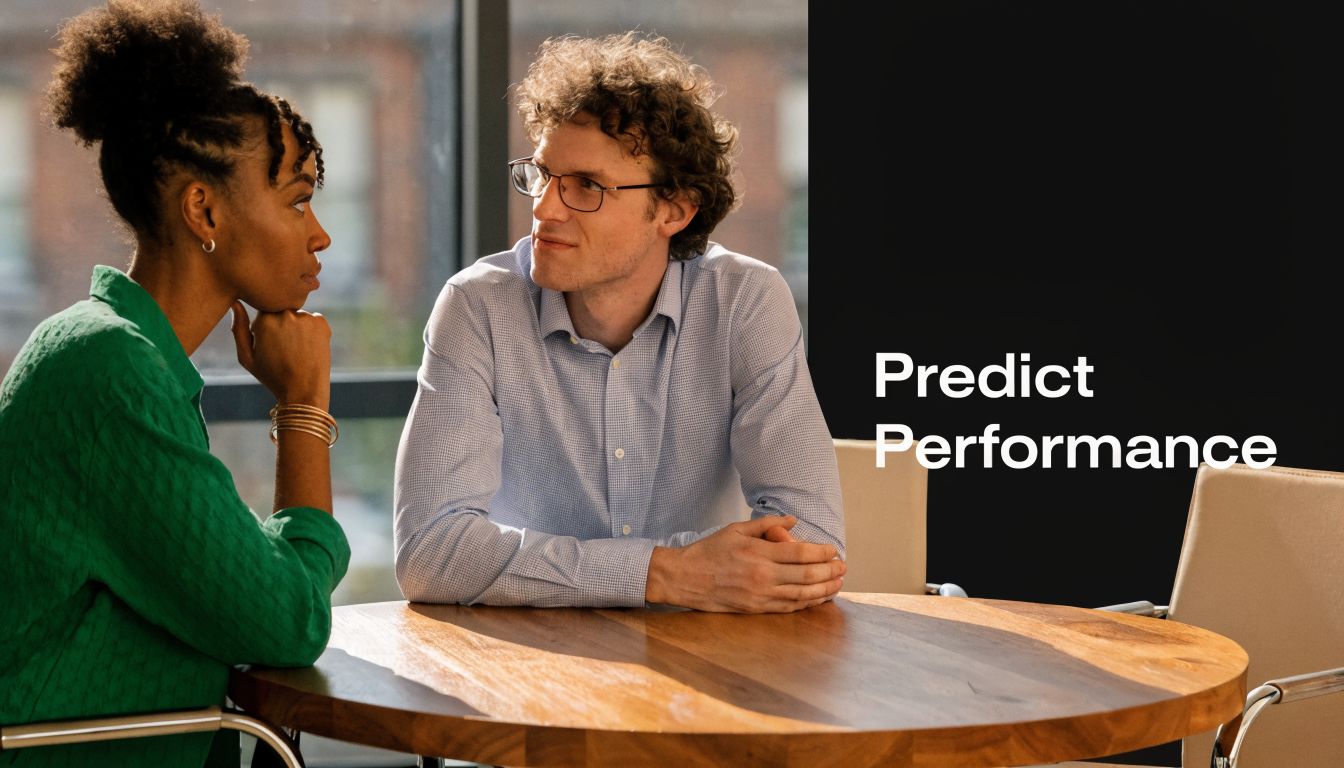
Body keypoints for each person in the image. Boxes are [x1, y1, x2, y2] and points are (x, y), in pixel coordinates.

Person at [0, 1, 349, 766]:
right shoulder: (109, 370)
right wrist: (303, 408)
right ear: (203, 209)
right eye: (297, 199)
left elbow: (235, 575)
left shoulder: (113, 351)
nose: (319, 233)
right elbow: (289, 620)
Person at [394, 31, 844, 613]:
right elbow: (431, 554)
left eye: (586, 186)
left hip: (710, 663)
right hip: (537, 663)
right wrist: (671, 574)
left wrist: (551, 568)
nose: (544, 208)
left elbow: (812, 543)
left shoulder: (744, 300)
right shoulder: (478, 305)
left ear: (674, 211)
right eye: (542, 174)